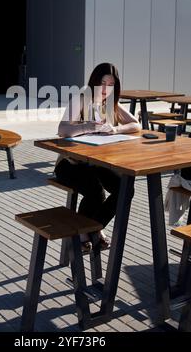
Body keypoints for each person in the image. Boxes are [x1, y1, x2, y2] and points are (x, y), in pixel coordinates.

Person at [54, 63, 140, 252]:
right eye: (102, 82)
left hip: (96, 163)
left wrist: (116, 128)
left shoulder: (110, 104)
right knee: (96, 192)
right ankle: (85, 234)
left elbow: (136, 124)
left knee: (125, 189)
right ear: (94, 81)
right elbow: (62, 130)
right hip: (70, 164)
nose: (105, 88)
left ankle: (94, 228)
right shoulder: (81, 98)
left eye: (110, 84)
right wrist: (88, 127)